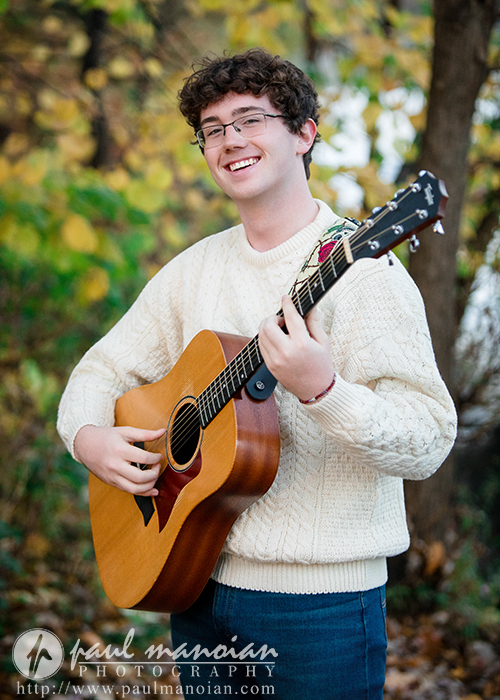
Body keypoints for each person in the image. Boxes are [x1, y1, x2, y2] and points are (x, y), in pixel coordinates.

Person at [57, 48, 457, 699]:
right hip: (194, 582)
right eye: (213, 129)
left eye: (250, 120)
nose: (230, 140)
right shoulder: (194, 270)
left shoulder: (367, 272)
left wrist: (323, 391)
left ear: (304, 134)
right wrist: (88, 438)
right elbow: (101, 369)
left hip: (320, 609)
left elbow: (430, 439)